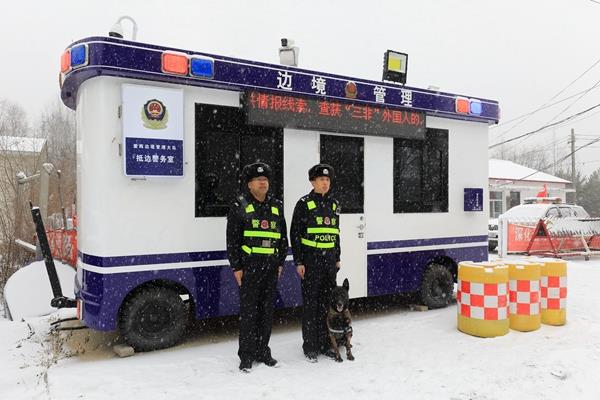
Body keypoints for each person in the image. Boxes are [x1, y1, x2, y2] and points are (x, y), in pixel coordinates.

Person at [226, 162, 288, 372]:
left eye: (265, 179)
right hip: (250, 268)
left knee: (266, 312)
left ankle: (263, 351)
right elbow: (232, 239)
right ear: (249, 184)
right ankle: (246, 355)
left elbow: (282, 237)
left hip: (271, 268)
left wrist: (280, 262)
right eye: (258, 180)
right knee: (249, 313)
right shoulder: (240, 205)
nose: (263, 183)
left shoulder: (276, 205)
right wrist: (236, 267)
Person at [290, 163, 341, 362]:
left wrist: (337, 257)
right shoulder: (304, 204)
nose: (325, 183)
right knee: (311, 305)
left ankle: (325, 343)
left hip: (329, 263)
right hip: (311, 262)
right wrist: (299, 261)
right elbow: (295, 234)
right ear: (313, 182)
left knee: (326, 306)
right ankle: (310, 346)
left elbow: (335, 233)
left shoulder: (334, 204)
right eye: (321, 179)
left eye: (327, 180)